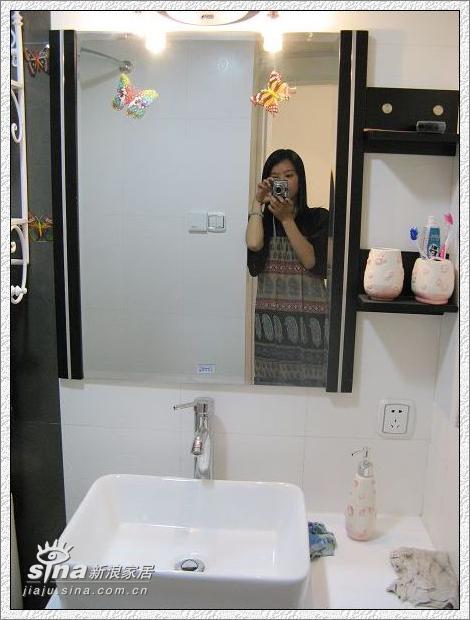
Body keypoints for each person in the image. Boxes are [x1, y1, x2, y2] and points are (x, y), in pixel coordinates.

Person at [246, 149, 329, 387]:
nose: (283, 182)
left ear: (300, 179)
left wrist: (287, 219)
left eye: (289, 175)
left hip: (312, 321)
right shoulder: (261, 220)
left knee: (314, 386)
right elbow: (253, 244)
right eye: (275, 177)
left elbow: (312, 262)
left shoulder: (319, 218)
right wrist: (257, 202)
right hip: (270, 321)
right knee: (270, 388)